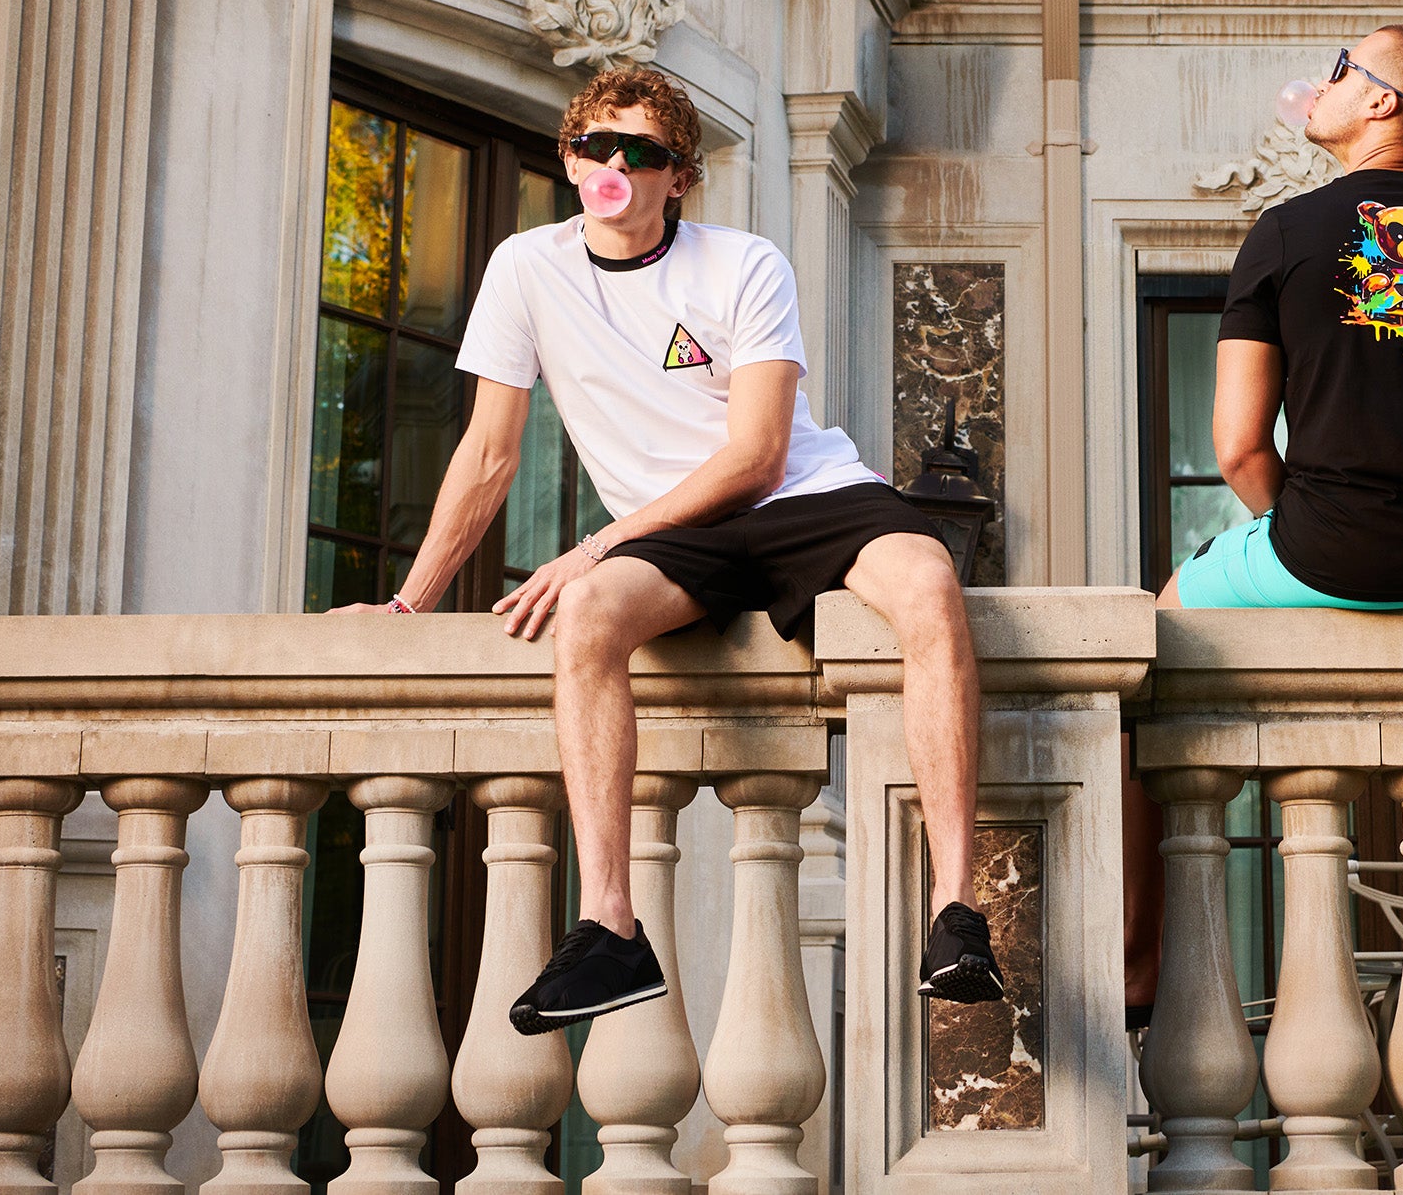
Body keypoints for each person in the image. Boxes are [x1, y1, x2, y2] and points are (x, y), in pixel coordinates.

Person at [335, 65, 1003, 1029]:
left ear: (679, 175)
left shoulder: (744, 263)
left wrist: (596, 540)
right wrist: (409, 602)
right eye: (597, 146)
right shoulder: (526, 268)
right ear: (569, 160)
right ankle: (610, 928)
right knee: (591, 614)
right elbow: (487, 453)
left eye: (642, 151)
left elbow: (758, 455)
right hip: (678, 529)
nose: (617, 165)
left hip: (800, 496)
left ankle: (955, 911)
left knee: (931, 581)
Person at [1121, 24, 1403, 1053]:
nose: (1316, 84)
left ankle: (1142, 955)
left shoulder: (1282, 233)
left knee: (1143, 650)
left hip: (1321, 554)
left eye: (1337, 68)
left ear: (1382, 104)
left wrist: (1316, 531)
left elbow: (1235, 446)